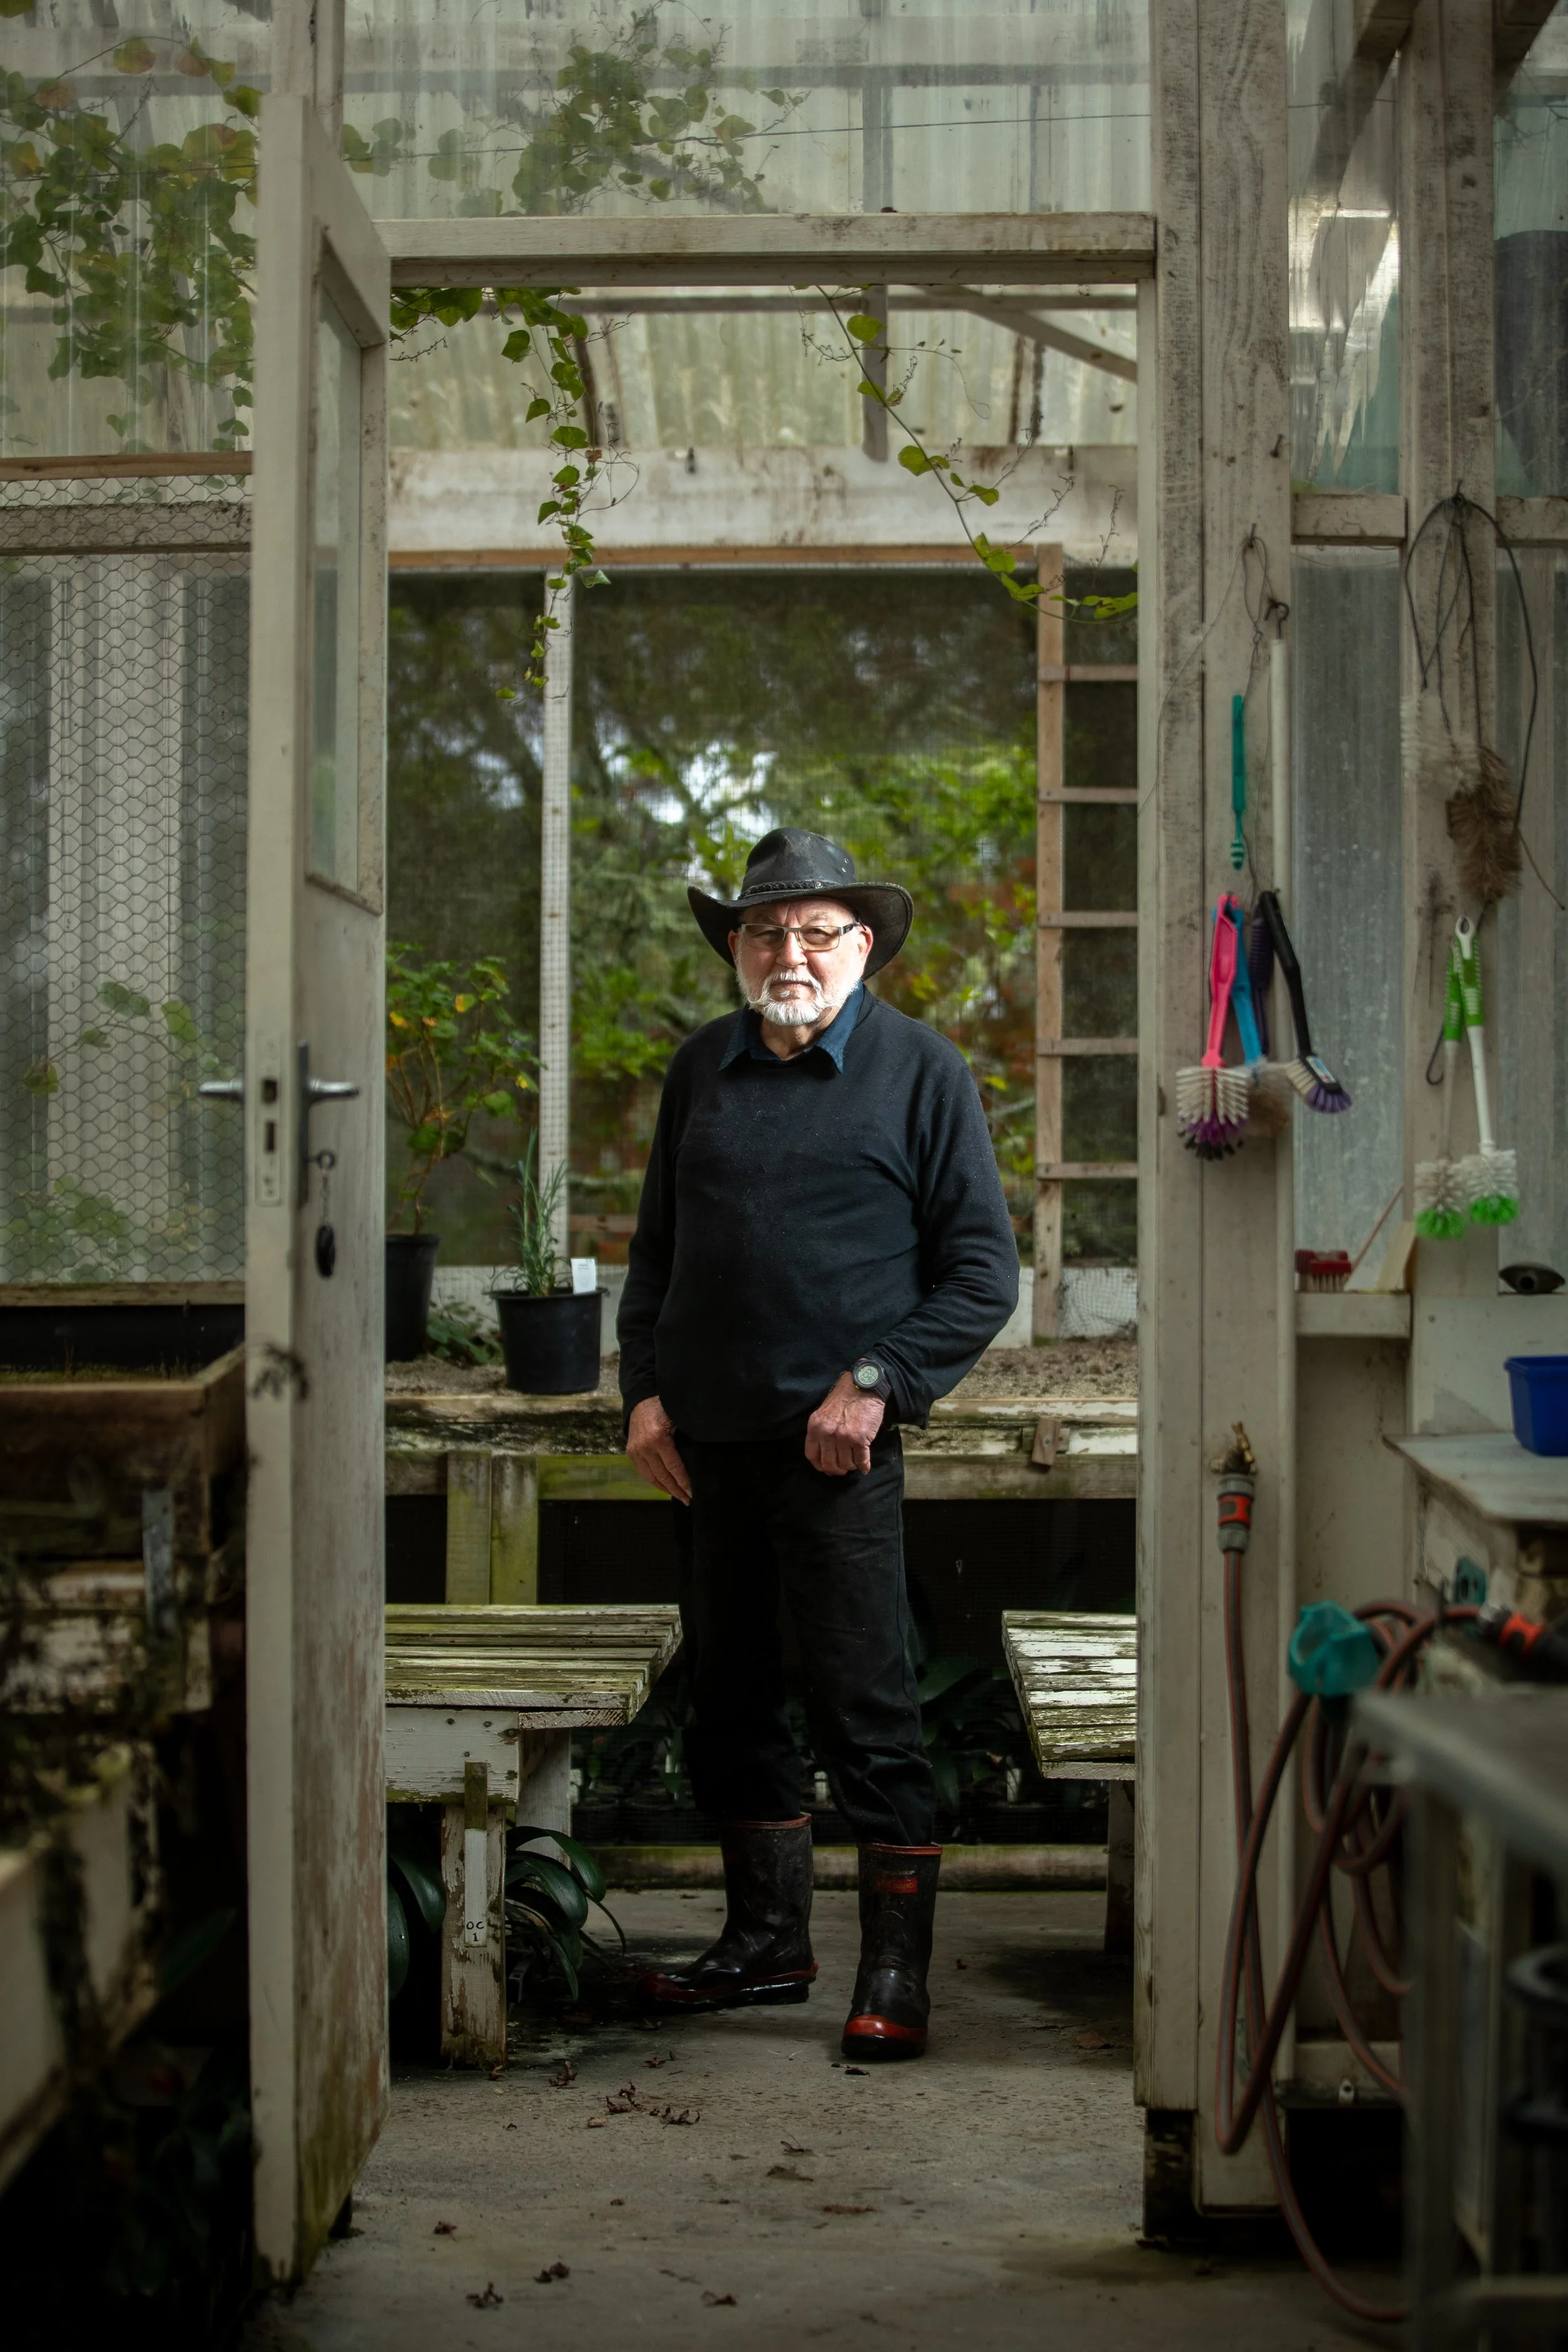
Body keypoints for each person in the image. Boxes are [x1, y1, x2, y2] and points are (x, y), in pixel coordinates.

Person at [618, 827, 1018, 2060]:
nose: (788, 951)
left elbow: (981, 1275)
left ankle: (893, 1976)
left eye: (815, 931)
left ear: (861, 948)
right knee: (728, 1704)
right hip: (706, 1453)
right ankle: (764, 1947)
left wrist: (877, 1383)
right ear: (735, 947)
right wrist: (640, 1396)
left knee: (865, 1712)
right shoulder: (701, 1069)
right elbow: (653, 1261)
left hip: (834, 1456)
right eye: (763, 931)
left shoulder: (920, 1071)